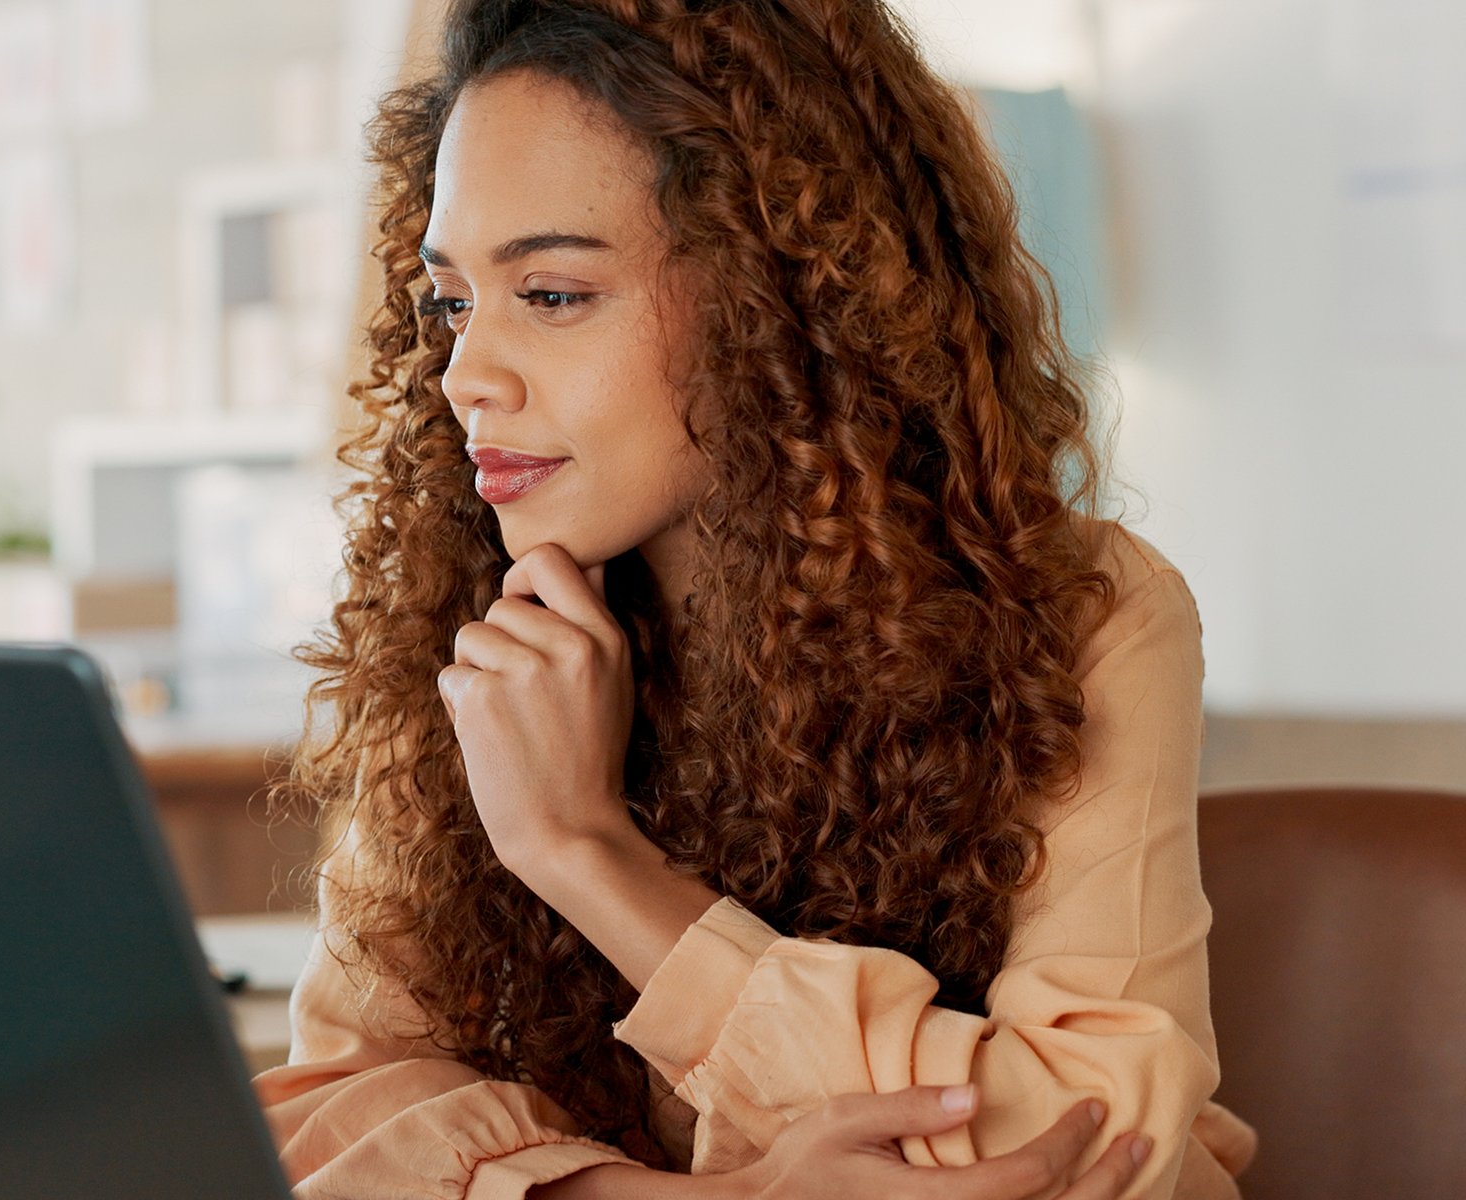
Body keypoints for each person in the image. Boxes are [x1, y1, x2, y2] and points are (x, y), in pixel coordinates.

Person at [257, 1, 1258, 1197]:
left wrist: (587, 853)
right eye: (453, 303)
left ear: (774, 294)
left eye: (555, 295)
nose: (467, 373)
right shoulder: (475, 634)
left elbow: (1092, 1151)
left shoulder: (1077, 612)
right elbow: (330, 1114)